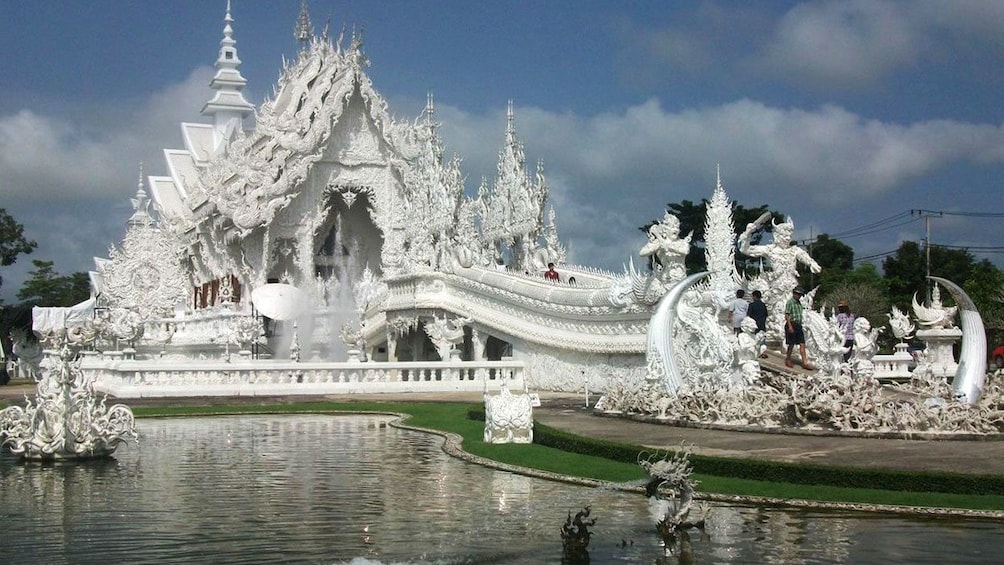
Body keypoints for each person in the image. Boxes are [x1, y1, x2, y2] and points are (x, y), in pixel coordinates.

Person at [784, 287, 813, 370]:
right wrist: (789, 326)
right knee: (791, 343)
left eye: (800, 295)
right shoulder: (790, 302)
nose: (799, 296)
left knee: (802, 343)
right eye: (798, 294)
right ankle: (788, 359)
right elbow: (787, 315)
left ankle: (805, 362)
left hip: (798, 325)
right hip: (792, 324)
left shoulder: (799, 304)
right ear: (794, 294)